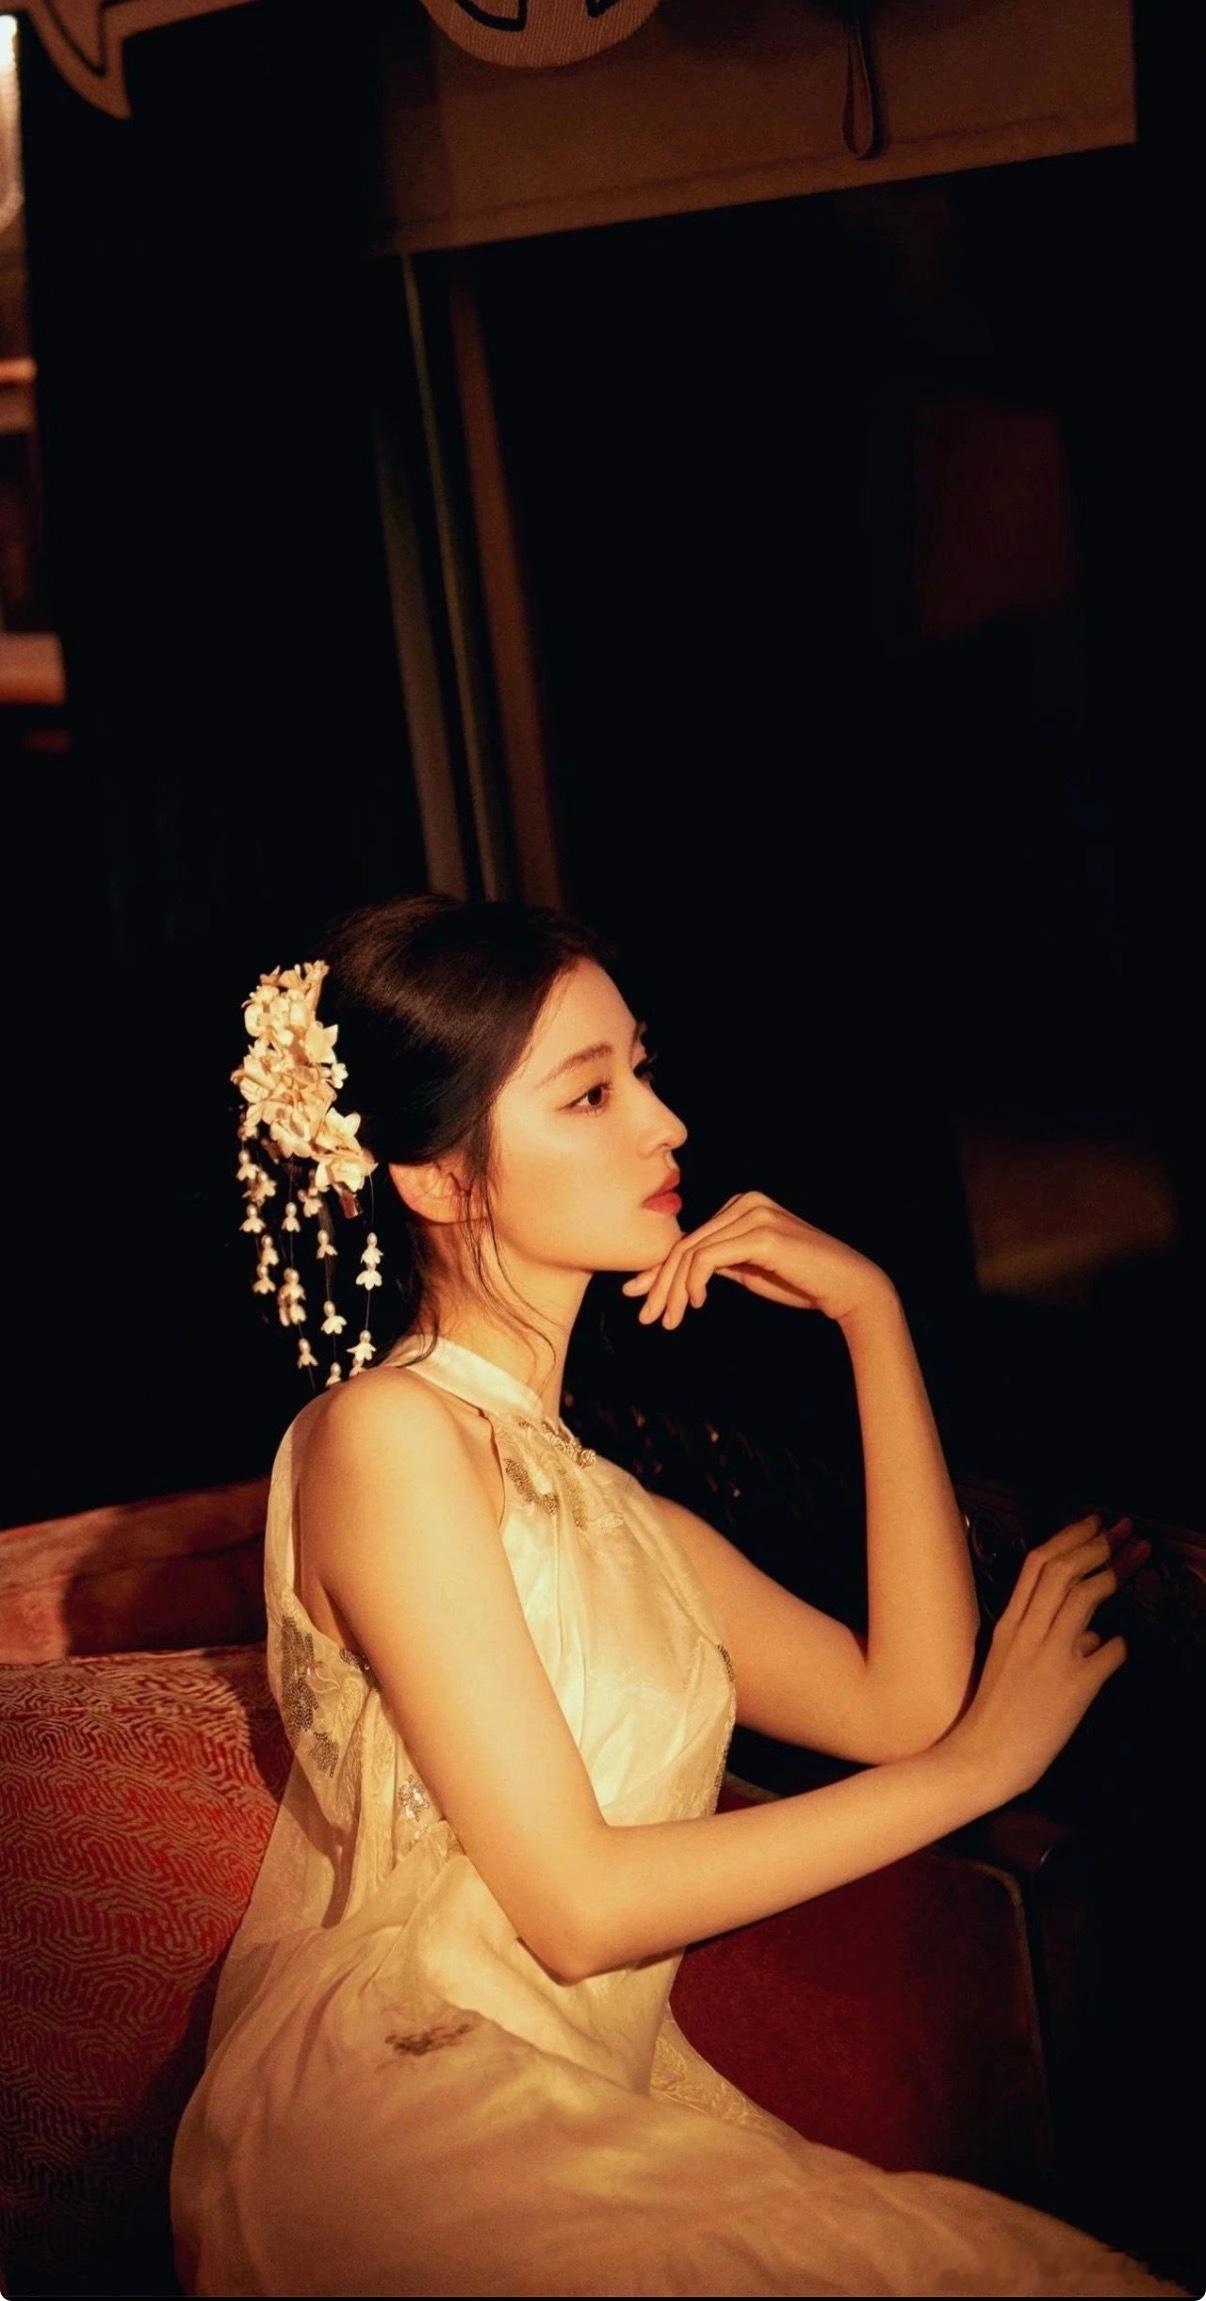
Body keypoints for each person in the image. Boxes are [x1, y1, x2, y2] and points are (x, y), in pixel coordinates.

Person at [171, 891, 1187, 2298]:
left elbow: (898, 1703)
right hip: (408, 2104)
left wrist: (872, 1318)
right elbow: (578, 1905)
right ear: (441, 1181)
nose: (665, 1124)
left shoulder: (624, 1512)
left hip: (570, 2107)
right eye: (591, 1093)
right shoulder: (384, 1436)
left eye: (640, 1071)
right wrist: (978, 1773)